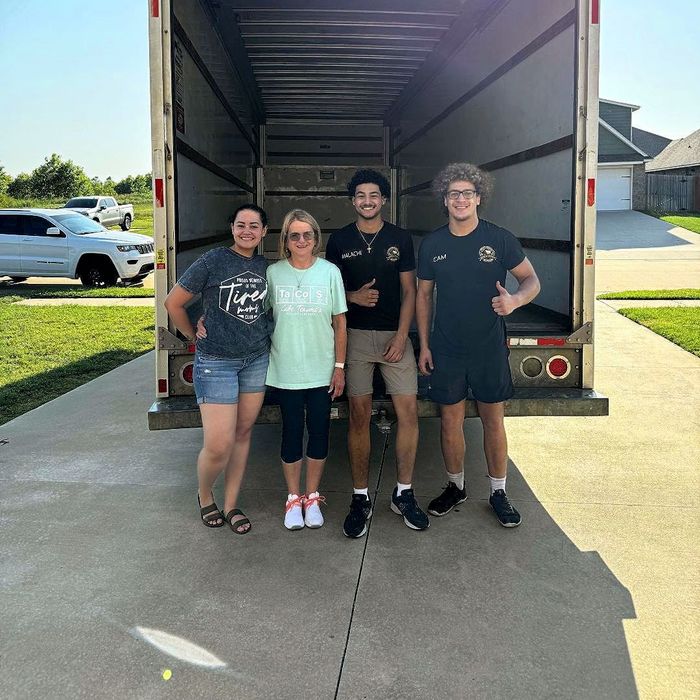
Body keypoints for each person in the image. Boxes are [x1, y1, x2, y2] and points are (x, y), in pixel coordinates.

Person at [416, 163, 541, 527]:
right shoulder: (433, 244)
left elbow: (531, 279)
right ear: (444, 199)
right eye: (453, 193)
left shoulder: (499, 239)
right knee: (450, 422)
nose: (460, 199)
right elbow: (423, 297)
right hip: (447, 347)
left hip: (488, 347)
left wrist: (515, 301)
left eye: (467, 193)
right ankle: (456, 486)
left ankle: (499, 492)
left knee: (492, 420)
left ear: (478, 197)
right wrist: (424, 345)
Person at [325, 169, 429, 537]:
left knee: (408, 413)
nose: (367, 201)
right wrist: (352, 297)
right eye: (360, 196)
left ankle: (403, 492)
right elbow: (330, 288)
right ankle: (360, 497)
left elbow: (410, 291)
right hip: (353, 337)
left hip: (393, 337)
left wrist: (403, 336)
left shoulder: (400, 237)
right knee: (358, 415)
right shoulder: (338, 240)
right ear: (352, 201)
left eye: (374, 195)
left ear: (384, 200)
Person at [164, 204, 270, 535]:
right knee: (219, 443)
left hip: (256, 360)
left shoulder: (269, 268)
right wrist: (192, 334)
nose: (247, 231)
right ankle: (206, 493)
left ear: (264, 232)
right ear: (232, 228)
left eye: (254, 226)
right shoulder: (213, 260)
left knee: (242, 434)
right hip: (216, 363)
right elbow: (173, 303)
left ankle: (231, 504)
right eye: (241, 225)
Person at [266, 209, 347, 530]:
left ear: (316, 239)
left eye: (307, 235)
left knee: (319, 432)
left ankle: (312, 497)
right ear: (285, 240)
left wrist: (339, 367)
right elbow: (251, 313)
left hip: (321, 370)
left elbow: (340, 323)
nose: (301, 240)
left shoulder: (330, 273)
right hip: (285, 370)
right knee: (290, 434)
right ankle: (292, 499)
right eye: (294, 235)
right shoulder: (273, 274)